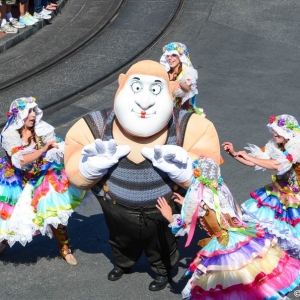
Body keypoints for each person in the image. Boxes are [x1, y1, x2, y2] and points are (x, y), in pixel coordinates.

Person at [64, 60, 220, 291]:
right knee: (119, 238)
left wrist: (187, 171)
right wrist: (89, 167)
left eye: (155, 90)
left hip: (162, 206)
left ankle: (162, 271)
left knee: (162, 243)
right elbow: (74, 168)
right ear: (121, 85)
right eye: (136, 88)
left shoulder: (191, 126)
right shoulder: (95, 124)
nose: (144, 101)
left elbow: (211, 174)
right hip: (115, 204)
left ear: (168, 91)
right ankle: (123, 263)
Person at [157, 156, 300, 300]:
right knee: (254, 273)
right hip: (241, 235)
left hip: (222, 242)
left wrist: (169, 215)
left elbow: (184, 225)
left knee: (229, 281)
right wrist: (187, 203)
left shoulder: (199, 200)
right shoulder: (221, 190)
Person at [0, 96, 86, 265]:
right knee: (9, 218)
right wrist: (44, 150)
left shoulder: (41, 129)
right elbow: (21, 161)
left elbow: (55, 145)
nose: (33, 115)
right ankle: (3, 243)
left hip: (41, 176)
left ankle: (65, 249)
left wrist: (63, 148)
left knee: (54, 212)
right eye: (29, 111)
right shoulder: (9, 134)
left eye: (34, 111)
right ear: (20, 115)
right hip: (16, 179)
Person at [222, 114, 300, 259]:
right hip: (283, 190)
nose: (273, 133)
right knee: (275, 231)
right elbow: (254, 162)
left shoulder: (297, 145)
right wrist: (234, 154)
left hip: (297, 195)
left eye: (276, 131)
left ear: (286, 133)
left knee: (294, 236)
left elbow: (277, 165)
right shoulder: (275, 144)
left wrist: (250, 157)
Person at [159, 42, 204, 116]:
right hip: (164, 112)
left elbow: (188, 89)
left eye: (174, 55)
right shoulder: (165, 72)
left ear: (181, 57)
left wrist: (179, 83)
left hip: (181, 113)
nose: (170, 58)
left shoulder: (188, 72)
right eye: (168, 56)